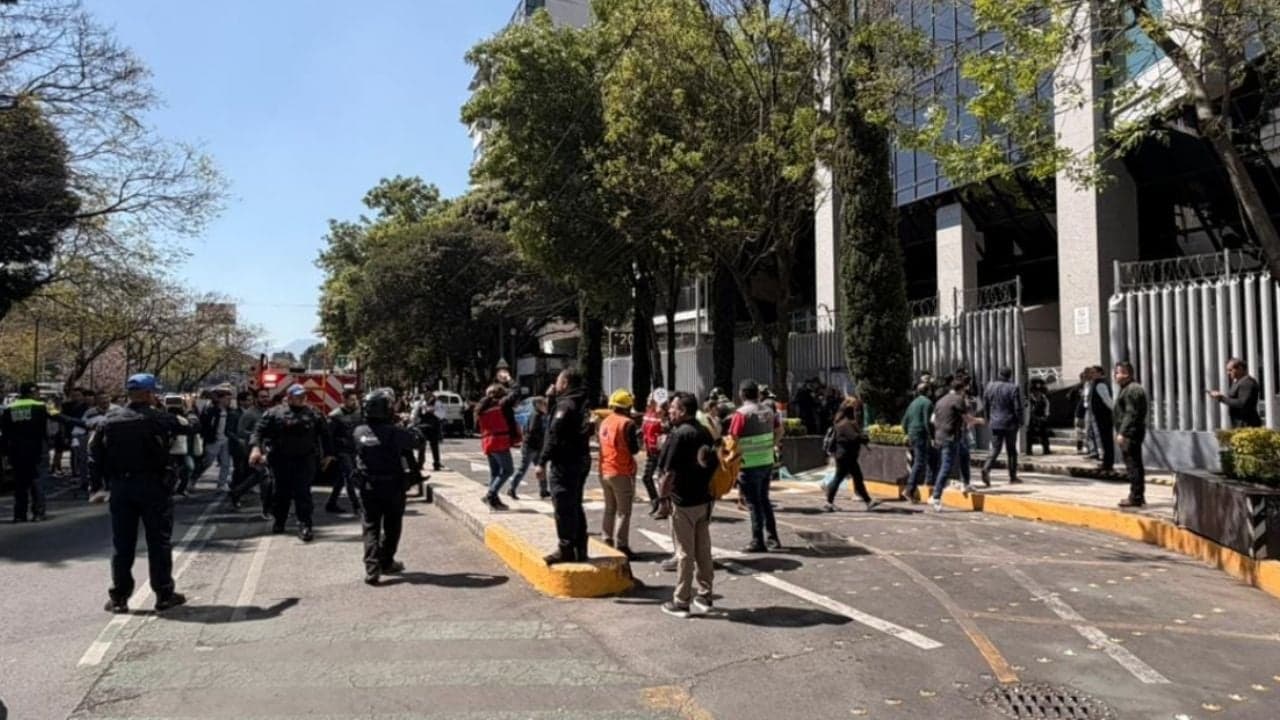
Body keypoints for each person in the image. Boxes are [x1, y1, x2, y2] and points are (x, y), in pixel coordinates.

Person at [92, 374, 186, 613]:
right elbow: (191, 427)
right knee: (159, 542)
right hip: (154, 486)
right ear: (148, 394)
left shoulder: (109, 420)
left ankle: (119, 597)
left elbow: (94, 454)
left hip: (121, 488)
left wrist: (100, 485)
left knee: (122, 544)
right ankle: (164, 595)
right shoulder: (158, 418)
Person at [658, 392, 719, 619]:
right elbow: (712, 464)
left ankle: (681, 601)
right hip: (703, 500)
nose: (669, 411)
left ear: (682, 411)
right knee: (703, 550)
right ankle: (705, 595)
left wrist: (662, 500)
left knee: (684, 553)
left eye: (673, 408)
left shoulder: (679, 436)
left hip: (683, 502)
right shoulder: (704, 432)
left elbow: (668, 473)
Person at [352, 388, 420, 585]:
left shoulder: (358, 432)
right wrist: (409, 425)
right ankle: (386, 561)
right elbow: (417, 442)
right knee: (392, 526)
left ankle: (372, 569)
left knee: (371, 527)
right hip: (392, 486)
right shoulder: (395, 432)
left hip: (368, 486)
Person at [249, 385, 333, 542]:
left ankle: (305, 524)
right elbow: (258, 432)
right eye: (297, 395)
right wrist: (255, 449)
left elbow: (326, 434)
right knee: (281, 492)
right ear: (289, 397)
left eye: (303, 395)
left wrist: (328, 455)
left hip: (305, 459)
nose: (301, 398)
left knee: (303, 492)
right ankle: (279, 521)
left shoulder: (314, 413)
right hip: (281, 459)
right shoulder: (274, 413)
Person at [535, 368, 593, 564]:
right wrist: (551, 399)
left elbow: (554, 435)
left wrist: (542, 462)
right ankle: (580, 548)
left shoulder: (566, 406)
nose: (555, 384)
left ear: (565, 383)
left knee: (562, 505)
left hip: (565, 462)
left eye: (558, 381)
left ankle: (566, 548)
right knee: (575, 504)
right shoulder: (580, 402)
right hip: (580, 459)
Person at [727, 378, 783, 553]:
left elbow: (733, 438)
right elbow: (780, 430)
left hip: (748, 464)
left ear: (742, 394)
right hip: (766, 461)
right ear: (757, 394)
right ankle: (773, 538)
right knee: (764, 500)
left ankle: (758, 541)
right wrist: (772, 444)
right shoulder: (768, 411)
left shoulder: (741, 414)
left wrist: (731, 458)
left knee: (754, 504)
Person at [598, 389, 640, 558]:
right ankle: (621, 545)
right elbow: (634, 449)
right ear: (627, 407)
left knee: (609, 508)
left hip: (604, 469)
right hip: (620, 471)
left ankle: (606, 539)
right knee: (624, 511)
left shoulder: (605, 421)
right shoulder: (627, 423)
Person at [1, 382, 50, 522]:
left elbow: (5, 432)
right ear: (34, 392)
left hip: (16, 451)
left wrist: (5, 451)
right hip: (36, 450)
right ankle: (38, 513)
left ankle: (19, 514)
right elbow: (55, 420)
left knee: (20, 484)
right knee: (37, 482)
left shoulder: (9, 408)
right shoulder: (40, 406)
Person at [930, 378, 980, 511]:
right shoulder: (958, 399)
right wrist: (979, 421)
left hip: (941, 436)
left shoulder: (940, 400)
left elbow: (933, 419)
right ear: (962, 389)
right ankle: (936, 496)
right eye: (965, 389)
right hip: (950, 438)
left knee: (964, 454)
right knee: (946, 467)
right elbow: (967, 419)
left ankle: (966, 483)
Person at [823, 396, 880, 512]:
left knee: (848, 477)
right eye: (854, 409)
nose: (856, 412)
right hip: (846, 456)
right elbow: (854, 437)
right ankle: (868, 501)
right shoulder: (845, 424)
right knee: (851, 477)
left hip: (845, 455)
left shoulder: (842, 422)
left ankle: (867, 501)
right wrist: (864, 438)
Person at [228, 388, 274, 517]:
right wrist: (255, 436)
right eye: (262, 397)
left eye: (266, 396)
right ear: (256, 399)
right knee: (265, 477)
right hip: (254, 449)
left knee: (258, 477)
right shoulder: (249, 414)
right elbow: (241, 432)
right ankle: (267, 509)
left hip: (267, 449)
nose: (265, 399)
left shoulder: (268, 412)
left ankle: (236, 492)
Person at [477, 383, 521, 510]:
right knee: (508, 470)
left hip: (487, 441)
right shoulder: (501, 404)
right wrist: (510, 380)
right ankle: (490, 494)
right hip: (499, 441)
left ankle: (494, 501)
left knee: (495, 473)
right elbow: (516, 392)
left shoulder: (482, 407)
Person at [1113, 361, 1150, 508]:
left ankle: (1136, 496)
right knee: (1134, 464)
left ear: (1127, 374)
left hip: (1131, 434)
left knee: (1133, 465)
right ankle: (1137, 495)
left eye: (1118, 372)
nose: (1115, 376)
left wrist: (1123, 433)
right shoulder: (1127, 389)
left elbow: (1131, 413)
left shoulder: (1132, 390)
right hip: (1131, 432)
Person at [980, 367, 1024, 486]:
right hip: (1010, 423)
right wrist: (1021, 421)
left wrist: (987, 419)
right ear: (1010, 376)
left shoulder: (990, 387)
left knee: (995, 449)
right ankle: (1013, 477)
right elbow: (1017, 407)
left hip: (995, 422)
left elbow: (985, 405)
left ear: (999, 374)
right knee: (1011, 450)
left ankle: (987, 467)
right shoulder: (1013, 388)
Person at [326, 388, 364, 515]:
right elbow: (328, 437)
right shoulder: (335, 415)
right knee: (350, 477)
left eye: (355, 399)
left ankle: (331, 503)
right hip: (342, 451)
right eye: (351, 400)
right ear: (344, 400)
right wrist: (330, 454)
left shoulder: (359, 413)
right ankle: (356, 506)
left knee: (341, 479)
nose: (354, 402)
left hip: (355, 449)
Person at [900, 382, 933, 503]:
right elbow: (927, 422)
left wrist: (907, 434)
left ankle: (913, 488)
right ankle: (909, 489)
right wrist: (932, 437)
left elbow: (904, 422)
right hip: (921, 434)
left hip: (912, 434)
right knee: (919, 462)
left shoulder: (912, 403)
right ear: (928, 391)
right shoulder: (927, 403)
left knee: (918, 461)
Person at [84, 390, 119, 503]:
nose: (104, 401)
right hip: (95, 444)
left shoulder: (118, 410)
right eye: (101, 399)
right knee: (94, 469)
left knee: (111, 468)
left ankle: (111, 491)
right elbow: (84, 424)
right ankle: (96, 491)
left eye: (106, 398)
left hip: (112, 444)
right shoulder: (90, 412)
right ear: (96, 401)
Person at [510, 396, 548, 500]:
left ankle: (543, 490)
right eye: (543, 404)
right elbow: (532, 431)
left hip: (537, 446)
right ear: (538, 405)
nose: (546, 406)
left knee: (541, 468)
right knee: (523, 469)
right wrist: (543, 436)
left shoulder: (541, 415)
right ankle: (512, 488)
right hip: (530, 447)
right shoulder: (536, 416)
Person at [639, 390, 668, 517]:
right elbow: (643, 428)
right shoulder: (648, 413)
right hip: (650, 451)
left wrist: (662, 418)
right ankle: (656, 502)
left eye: (651, 399)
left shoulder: (662, 414)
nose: (648, 400)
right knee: (647, 478)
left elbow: (667, 429)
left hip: (660, 451)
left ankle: (664, 506)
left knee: (662, 479)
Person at [1210, 358, 1262, 428]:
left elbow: (1242, 403)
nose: (1228, 373)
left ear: (1240, 368)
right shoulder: (1239, 381)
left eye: (1230, 370)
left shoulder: (1247, 382)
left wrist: (1221, 398)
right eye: (1227, 370)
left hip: (1247, 424)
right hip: (1239, 423)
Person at [198, 390, 234, 491]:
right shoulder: (211, 411)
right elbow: (204, 425)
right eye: (227, 399)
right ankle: (193, 478)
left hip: (225, 440)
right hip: (213, 440)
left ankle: (221, 484)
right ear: (220, 399)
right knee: (207, 462)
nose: (229, 401)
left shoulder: (229, 411)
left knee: (226, 463)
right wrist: (207, 437)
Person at [1088, 365, 1115, 471]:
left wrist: (1115, 411)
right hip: (1100, 415)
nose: (1092, 374)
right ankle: (1106, 462)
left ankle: (1108, 463)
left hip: (1104, 416)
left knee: (1106, 440)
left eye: (1094, 372)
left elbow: (1107, 399)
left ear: (1100, 373)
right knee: (1104, 440)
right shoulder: (1096, 383)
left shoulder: (1100, 384)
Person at [413, 392, 445, 471]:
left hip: (433, 427)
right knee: (421, 445)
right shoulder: (420, 402)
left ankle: (436, 464)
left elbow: (442, 415)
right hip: (423, 427)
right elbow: (414, 414)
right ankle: (420, 463)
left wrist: (433, 411)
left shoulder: (437, 403)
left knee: (434, 446)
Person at [1027, 378, 1052, 455]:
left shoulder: (1044, 399)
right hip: (1031, 419)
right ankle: (1028, 450)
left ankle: (1046, 449)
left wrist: (1045, 417)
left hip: (1041, 418)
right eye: (1035, 391)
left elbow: (1047, 409)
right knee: (1029, 435)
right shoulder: (1029, 399)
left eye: (1039, 391)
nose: (1037, 393)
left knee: (1044, 434)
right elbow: (1027, 410)